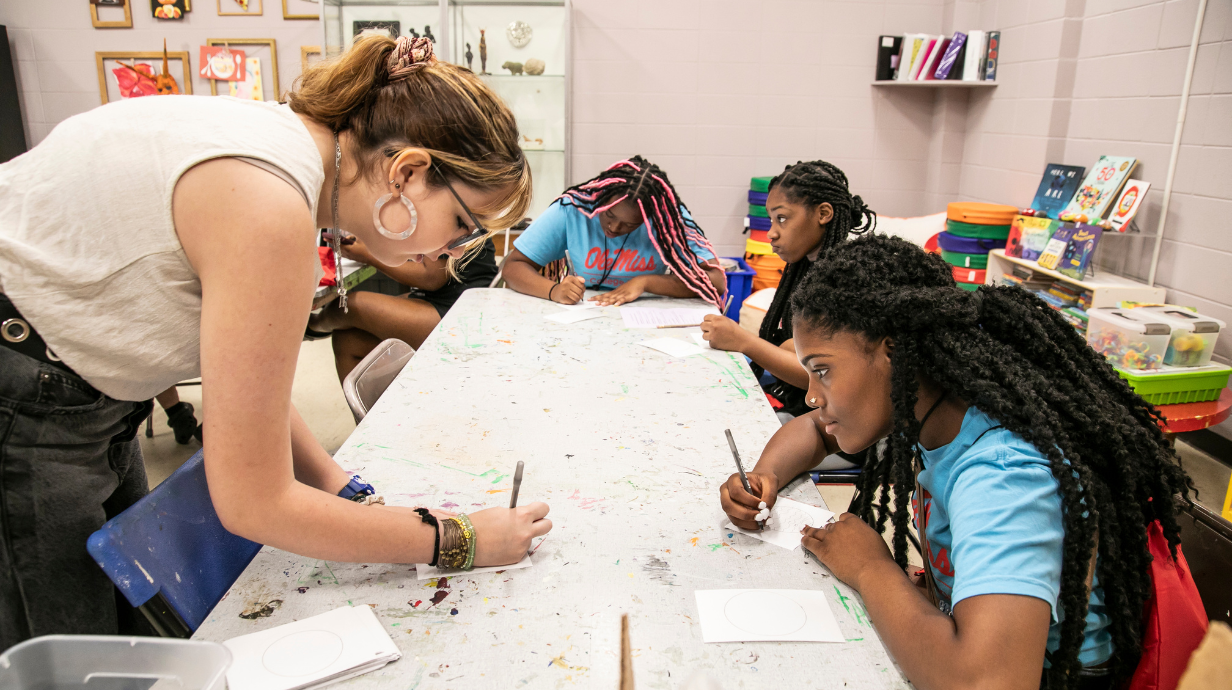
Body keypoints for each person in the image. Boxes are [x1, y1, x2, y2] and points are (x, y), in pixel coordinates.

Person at [0, 36, 551, 649]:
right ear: (408, 172)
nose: (454, 254)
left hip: (76, 386)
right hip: (24, 389)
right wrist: (457, 538)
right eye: (462, 226)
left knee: (124, 637)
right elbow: (254, 503)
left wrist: (335, 482)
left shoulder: (282, 150)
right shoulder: (268, 202)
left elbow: (246, 382)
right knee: (62, 650)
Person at [719, 234, 1194, 690]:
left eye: (822, 370)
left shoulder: (1004, 473)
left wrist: (870, 568)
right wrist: (767, 474)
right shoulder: (926, 400)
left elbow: (989, 682)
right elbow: (812, 430)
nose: (810, 394)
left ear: (894, 352)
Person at [701, 161, 874, 420]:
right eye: (771, 220)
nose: (771, 233)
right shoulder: (807, 267)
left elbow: (825, 378)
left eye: (782, 218)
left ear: (823, 213)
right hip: (808, 408)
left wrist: (743, 341)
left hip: (846, 425)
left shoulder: (848, 279)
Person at [503, 156, 727, 309]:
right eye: (609, 215)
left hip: (645, 315)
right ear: (600, 200)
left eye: (630, 225)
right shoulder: (573, 210)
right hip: (584, 312)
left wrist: (646, 282)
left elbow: (716, 282)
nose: (615, 228)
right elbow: (513, 267)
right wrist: (554, 291)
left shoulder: (668, 220)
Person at [308, 233, 498, 381]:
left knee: (350, 305)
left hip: (458, 316)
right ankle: (371, 425)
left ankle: (311, 326)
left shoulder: (449, 217)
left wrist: (369, 256)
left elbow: (430, 278)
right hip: (454, 303)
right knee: (347, 340)